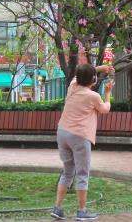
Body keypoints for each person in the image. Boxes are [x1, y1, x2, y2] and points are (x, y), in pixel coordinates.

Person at [51, 64, 114, 221]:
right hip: (80, 136)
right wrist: (107, 94)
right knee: (82, 173)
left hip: (62, 133)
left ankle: (57, 208)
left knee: (67, 171)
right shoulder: (93, 96)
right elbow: (105, 109)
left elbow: (80, 72)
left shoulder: (73, 86)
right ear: (93, 80)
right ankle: (82, 211)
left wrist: (100, 68)